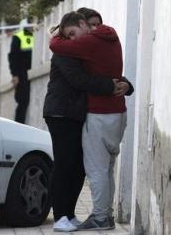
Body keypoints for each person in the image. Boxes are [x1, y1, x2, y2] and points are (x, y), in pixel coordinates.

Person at [44, 19, 133, 232]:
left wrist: (126, 85)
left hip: (81, 114)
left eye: (75, 33)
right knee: (66, 165)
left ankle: (72, 214)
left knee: (80, 168)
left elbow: (99, 70)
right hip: (62, 113)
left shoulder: (87, 44)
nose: (74, 38)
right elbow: (79, 79)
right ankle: (61, 216)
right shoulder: (69, 51)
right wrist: (114, 86)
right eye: (69, 35)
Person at [8, 23, 34, 124]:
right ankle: (19, 126)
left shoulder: (37, 34)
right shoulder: (19, 36)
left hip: (31, 72)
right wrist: (14, 74)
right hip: (21, 73)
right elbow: (13, 57)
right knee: (22, 102)